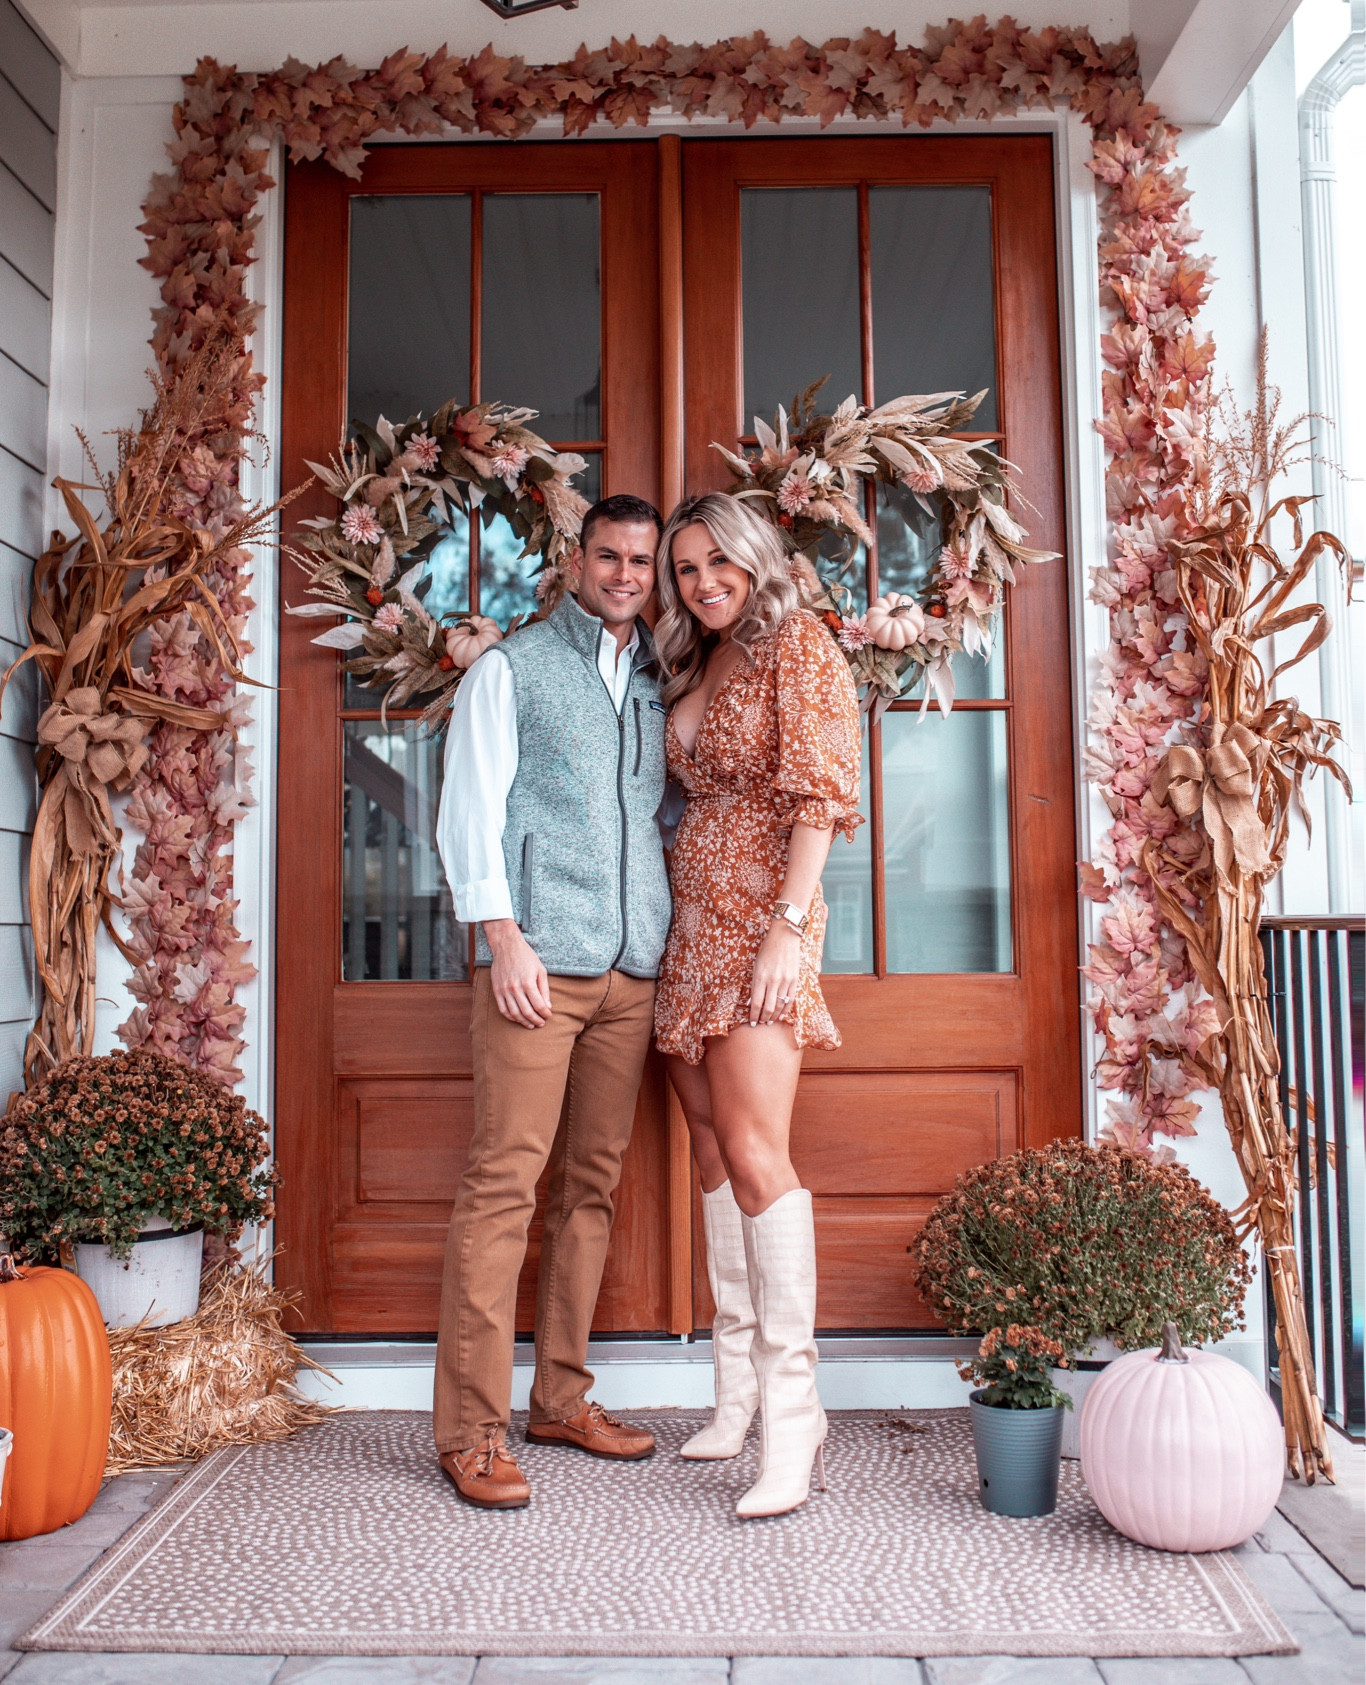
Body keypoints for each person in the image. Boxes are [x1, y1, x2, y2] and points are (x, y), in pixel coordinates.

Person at [432, 493, 671, 1510]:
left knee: (591, 1189)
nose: (624, 575)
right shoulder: (512, 668)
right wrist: (503, 939)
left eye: (640, 561)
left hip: (631, 970)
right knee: (504, 1187)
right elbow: (468, 810)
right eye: (608, 556)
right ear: (577, 560)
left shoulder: (660, 676)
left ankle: (561, 1398)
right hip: (535, 967)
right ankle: (469, 1431)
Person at [653, 492, 862, 1519]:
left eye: (718, 562)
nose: (704, 583)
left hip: (760, 922)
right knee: (706, 1147)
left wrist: (786, 925)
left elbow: (820, 796)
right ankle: (734, 1393)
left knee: (753, 1151)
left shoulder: (798, 644)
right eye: (686, 568)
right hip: (688, 926)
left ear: (753, 556)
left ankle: (794, 1413)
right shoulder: (695, 657)